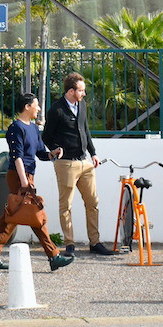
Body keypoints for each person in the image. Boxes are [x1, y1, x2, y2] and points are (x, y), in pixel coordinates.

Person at [0, 92, 76, 272]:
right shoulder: (15, 128)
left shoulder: (33, 128)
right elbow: (17, 157)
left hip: (27, 176)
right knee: (35, 214)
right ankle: (53, 255)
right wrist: (25, 182)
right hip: (18, 175)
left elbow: (40, 153)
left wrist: (53, 153)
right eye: (36, 105)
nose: (39, 108)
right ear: (27, 107)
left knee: (12, 215)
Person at [43, 72, 113, 256]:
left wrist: (93, 153)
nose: (84, 93)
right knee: (66, 205)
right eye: (81, 90)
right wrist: (55, 149)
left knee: (93, 202)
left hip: (84, 162)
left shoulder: (81, 105)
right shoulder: (56, 110)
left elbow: (85, 130)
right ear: (71, 91)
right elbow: (46, 136)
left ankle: (95, 242)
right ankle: (69, 244)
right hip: (66, 164)